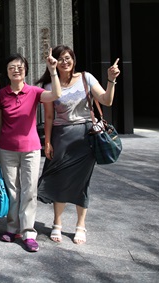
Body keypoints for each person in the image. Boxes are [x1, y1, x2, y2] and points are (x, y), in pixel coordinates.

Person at [36, 45, 120, 245]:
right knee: (59, 178)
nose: (65, 62)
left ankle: (81, 225)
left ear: (73, 60)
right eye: (60, 59)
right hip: (61, 136)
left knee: (82, 182)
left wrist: (111, 80)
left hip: (85, 137)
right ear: (54, 62)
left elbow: (106, 100)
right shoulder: (49, 86)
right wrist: (47, 142)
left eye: (68, 58)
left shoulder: (85, 78)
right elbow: (49, 117)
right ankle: (57, 222)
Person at [0, 50, 61, 252]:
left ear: (26, 71)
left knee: (29, 190)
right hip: (6, 149)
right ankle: (13, 228)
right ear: (7, 71)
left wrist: (53, 71)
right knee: (12, 190)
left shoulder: (35, 92)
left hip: (31, 149)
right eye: (11, 67)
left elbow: (56, 94)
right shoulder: (2, 94)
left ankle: (28, 232)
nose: (16, 70)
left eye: (20, 67)